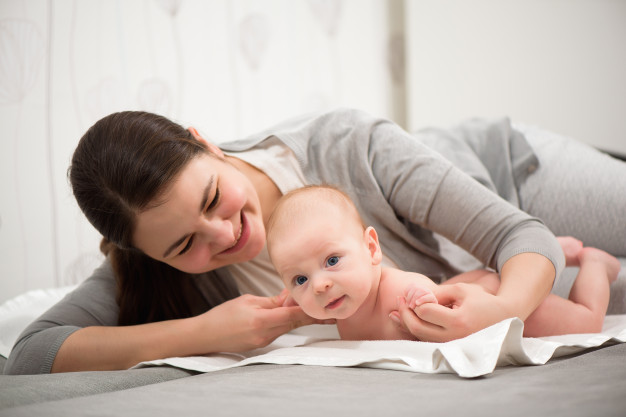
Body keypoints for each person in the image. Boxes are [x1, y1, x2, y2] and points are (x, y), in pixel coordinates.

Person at [5, 108, 626, 374]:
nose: (225, 236)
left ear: (206, 143)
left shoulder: (345, 145)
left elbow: (519, 235)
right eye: (183, 245)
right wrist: (207, 333)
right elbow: (33, 355)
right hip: (502, 264)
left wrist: (504, 312)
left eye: (213, 198)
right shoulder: (152, 266)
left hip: (511, 169)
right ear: (149, 253)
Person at [266, 185, 621, 340]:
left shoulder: (398, 292)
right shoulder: (336, 301)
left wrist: (424, 303)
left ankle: (595, 264)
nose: (320, 284)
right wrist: (294, 302)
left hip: (489, 298)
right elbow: (307, 302)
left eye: (331, 260)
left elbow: (444, 304)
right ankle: (547, 255)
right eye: (300, 279)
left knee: (586, 322)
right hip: (470, 284)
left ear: (371, 249)